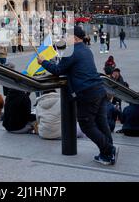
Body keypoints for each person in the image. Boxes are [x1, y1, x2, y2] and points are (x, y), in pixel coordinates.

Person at [38, 26, 117, 166]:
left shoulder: (71, 51)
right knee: (101, 122)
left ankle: (109, 150)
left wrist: (43, 62)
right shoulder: (87, 50)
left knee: (86, 124)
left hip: (87, 93)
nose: (65, 39)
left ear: (74, 38)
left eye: (67, 36)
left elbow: (58, 70)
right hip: (99, 89)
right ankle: (108, 151)